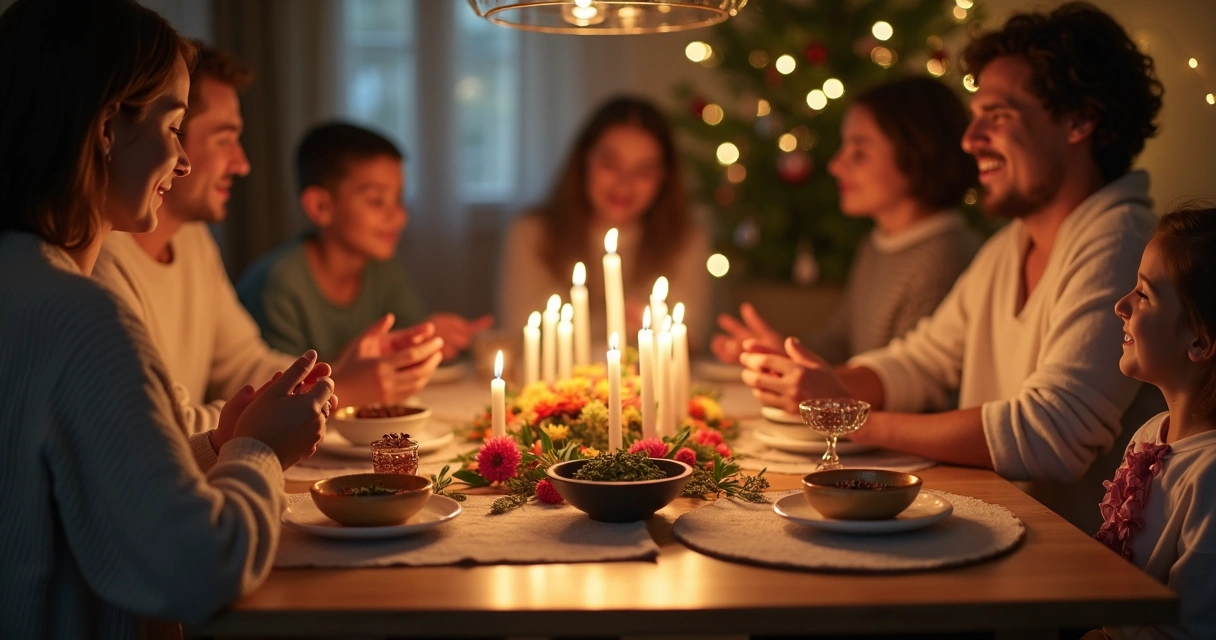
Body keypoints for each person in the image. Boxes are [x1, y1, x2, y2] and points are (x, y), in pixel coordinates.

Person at [738, 2, 1165, 531]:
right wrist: (822, 383)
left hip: (1069, 570)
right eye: (974, 116)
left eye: (999, 116)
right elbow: (922, 361)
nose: (970, 139)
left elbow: (1051, 435)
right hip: (999, 532)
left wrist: (855, 419)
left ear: (1081, 121)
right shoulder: (1008, 247)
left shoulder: (1122, 242)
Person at [0, 0, 336, 636]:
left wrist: (214, 445)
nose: (182, 162)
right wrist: (257, 449)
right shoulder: (81, 317)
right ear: (106, 128)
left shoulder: (22, 281)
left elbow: (95, 481)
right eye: (175, 126)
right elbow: (195, 568)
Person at [94, 45, 442, 433]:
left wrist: (331, 376)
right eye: (224, 139)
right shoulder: (100, 264)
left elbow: (245, 364)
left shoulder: (193, 240)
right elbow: (161, 430)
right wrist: (338, 388)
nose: (242, 163)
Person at [713, 76, 982, 366]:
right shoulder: (877, 244)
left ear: (918, 154)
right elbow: (840, 342)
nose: (836, 165)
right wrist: (781, 351)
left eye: (860, 152)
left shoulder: (944, 259)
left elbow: (911, 384)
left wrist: (806, 372)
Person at [237, 122, 493, 361]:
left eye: (399, 200)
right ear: (320, 206)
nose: (398, 216)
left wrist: (428, 340)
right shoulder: (279, 284)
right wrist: (378, 352)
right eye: (376, 201)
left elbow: (406, 338)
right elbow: (280, 391)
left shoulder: (383, 267)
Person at [1089, 207, 1216, 640]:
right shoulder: (1150, 434)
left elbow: (1190, 630)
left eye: (1144, 295)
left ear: (1199, 340)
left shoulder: (1209, 477)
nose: (1121, 305)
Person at [500, 95, 711, 346]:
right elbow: (521, 330)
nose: (624, 184)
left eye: (644, 171)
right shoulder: (533, 233)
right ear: (584, 161)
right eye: (611, 164)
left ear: (664, 177)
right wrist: (628, 322)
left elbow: (690, 335)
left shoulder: (685, 240)